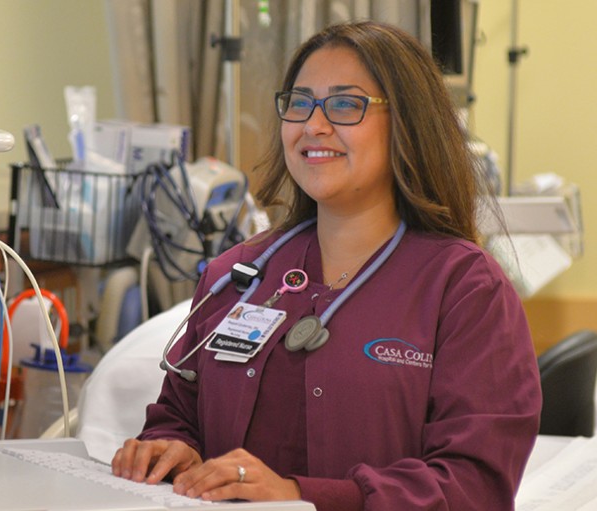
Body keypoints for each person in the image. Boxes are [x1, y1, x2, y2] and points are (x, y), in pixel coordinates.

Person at [112, 20, 542, 510]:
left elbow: (474, 485)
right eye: (299, 102)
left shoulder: (465, 289)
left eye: (344, 104)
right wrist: (172, 449)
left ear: (408, 121)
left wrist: (306, 498)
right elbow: (179, 412)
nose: (313, 125)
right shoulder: (237, 275)